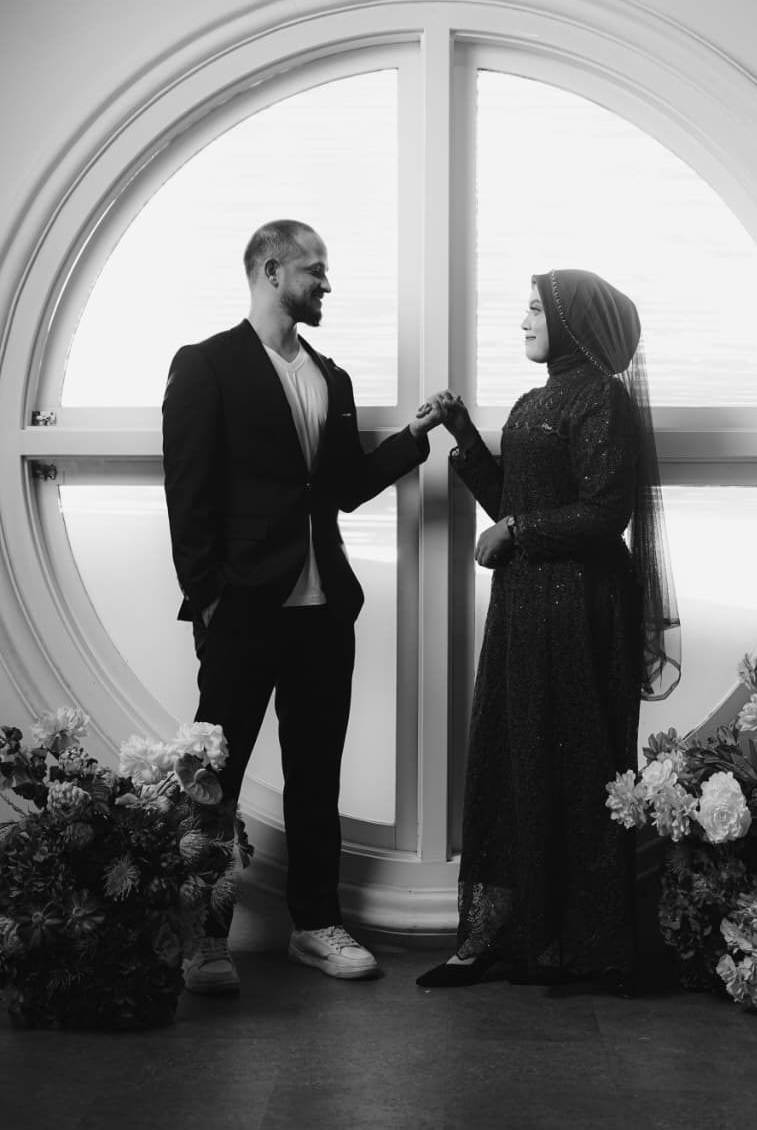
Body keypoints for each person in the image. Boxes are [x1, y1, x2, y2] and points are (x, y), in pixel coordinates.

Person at [162, 219, 445, 994]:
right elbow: (187, 493)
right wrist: (208, 600)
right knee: (212, 781)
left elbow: (341, 488)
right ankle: (203, 938)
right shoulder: (206, 365)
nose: (326, 284)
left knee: (316, 777)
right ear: (269, 269)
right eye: (314, 270)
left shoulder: (331, 377)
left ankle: (315, 926)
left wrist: (412, 438)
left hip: (324, 611)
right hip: (243, 608)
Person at [417, 268, 680, 992]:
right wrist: (464, 436)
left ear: (572, 320)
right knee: (511, 752)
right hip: (524, 603)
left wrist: (516, 531)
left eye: (536, 309)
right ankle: (500, 936)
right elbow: (513, 498)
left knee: (574, 760)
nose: (525, 321)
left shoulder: (603, 398)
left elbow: (603, 513)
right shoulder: (535, 399)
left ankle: (581, 946)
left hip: (581, 609)